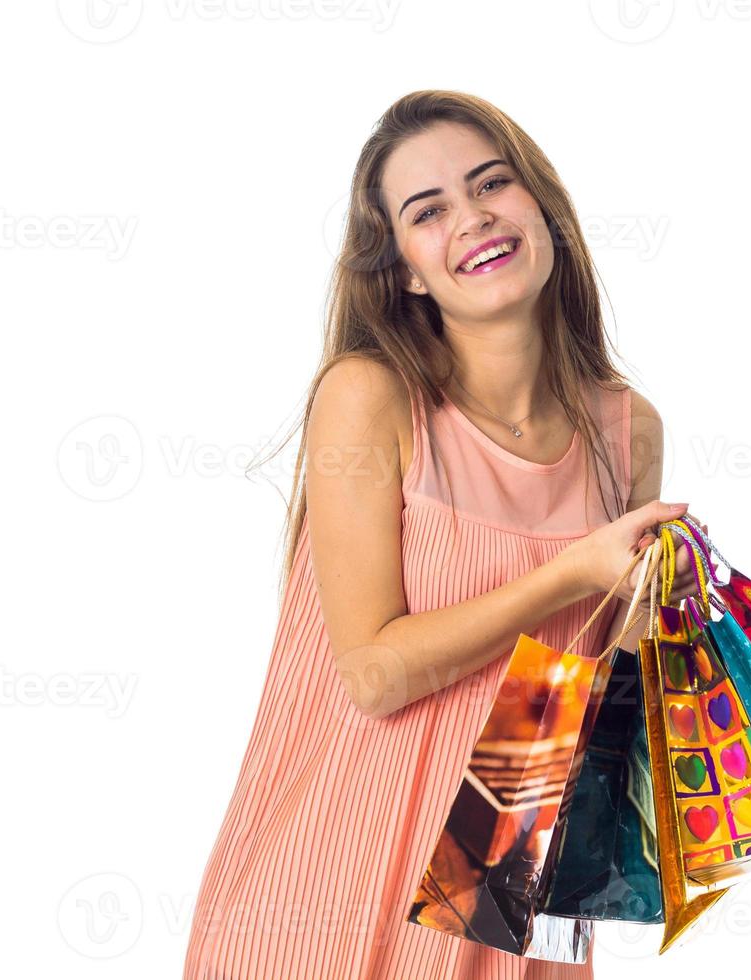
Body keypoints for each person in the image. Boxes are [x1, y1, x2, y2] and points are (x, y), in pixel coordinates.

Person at [180, 89, 702, 980]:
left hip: (496, 879)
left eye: (492, 184)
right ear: (408, 269)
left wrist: (662, 628)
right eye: (429, 211)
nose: (473, 218)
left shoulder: (627, 431)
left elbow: (563, 703)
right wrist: (570, 573)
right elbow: (376, 674)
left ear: (543, 210)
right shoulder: (370, 397)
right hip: (331, 874)